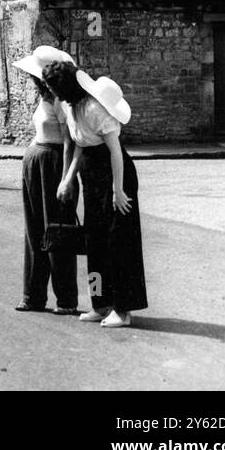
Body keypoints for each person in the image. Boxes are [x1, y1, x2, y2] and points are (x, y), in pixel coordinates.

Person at [44, 60, 148, 328]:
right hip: (91, 174)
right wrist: (67, 179)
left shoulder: (93, 108)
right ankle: (101, 304)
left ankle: (123, 310)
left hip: (115, 172)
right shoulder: (72, 107)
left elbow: (115, 151)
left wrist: (119, 190)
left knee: (118, 242)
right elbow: (80, 146)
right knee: (95, 241)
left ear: (64, 87)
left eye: (54, 88)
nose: (52, 93)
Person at [12, 45, 80, 315]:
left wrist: (66, 179)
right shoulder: (43, 98)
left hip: (53, 165)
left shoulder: (59, 100)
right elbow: (41, 131)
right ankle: (33, 296)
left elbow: (69, 141)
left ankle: (66, 300)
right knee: (34, 230)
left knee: (58, 231)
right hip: (36, 162)